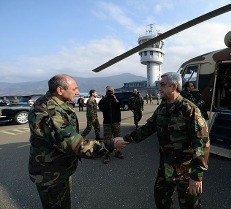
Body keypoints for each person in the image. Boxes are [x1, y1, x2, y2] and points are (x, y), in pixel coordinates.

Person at [28, 74, 127, 209]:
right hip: (51, 174)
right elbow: (74, 144)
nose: (78, 92)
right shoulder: (49, 112)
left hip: (58, 169)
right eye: (74, 88)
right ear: (60, 90)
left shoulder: (52, 103)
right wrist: (110, 145)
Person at [120, 72, 210, 209]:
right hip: (166, 167)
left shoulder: (189, 110)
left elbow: (201, 142)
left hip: (185, 170)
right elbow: (148, 128)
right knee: (161, 199)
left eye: (162, 85)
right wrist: (126, 139)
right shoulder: (162, 108)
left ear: (173, 86)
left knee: (190, 205)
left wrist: (196, 176)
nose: (159, 89)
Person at [98, 87, 125, 164]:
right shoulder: (103, 100)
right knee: (107, 139)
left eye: (111, 91)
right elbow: (101, 108)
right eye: (108, 91)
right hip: (107, 122)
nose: (110, 93)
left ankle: (118, 152)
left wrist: (116, 100)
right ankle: (107, 154)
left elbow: (122, 105)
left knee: (118, 137)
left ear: (113, 91)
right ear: (106, 91)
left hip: (116, 121)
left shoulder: (116, 98)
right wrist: (105, 100)